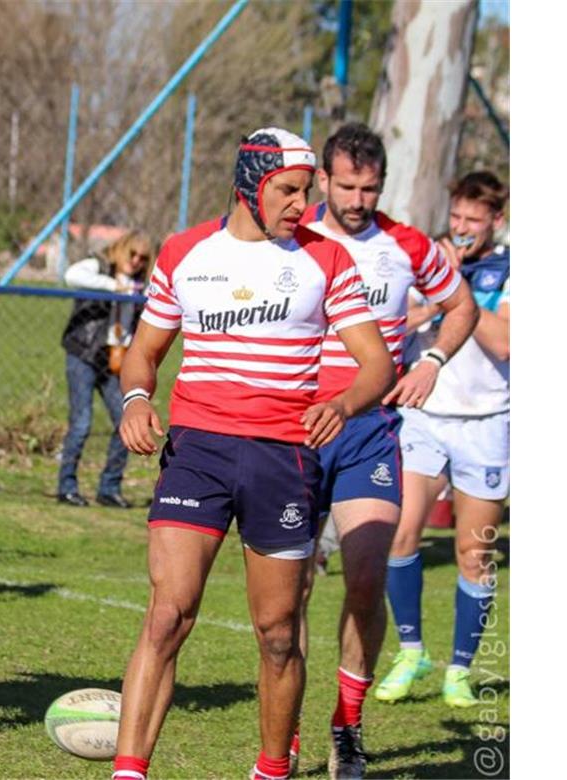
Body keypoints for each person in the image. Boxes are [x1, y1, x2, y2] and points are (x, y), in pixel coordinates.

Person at [109, 127, 393, 780]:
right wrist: (135, 401)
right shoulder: (184, 253)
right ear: (251, 183)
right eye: (289, 191)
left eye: (307, 192)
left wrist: (343, 405)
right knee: (167, 615)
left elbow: (375, 363)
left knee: (277, 635)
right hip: (197, 453)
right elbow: (145, 355)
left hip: (282, 459)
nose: (302, 205)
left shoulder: (326, 261)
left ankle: (271, 769)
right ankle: (129, 771)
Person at [294, 123, 479, 779]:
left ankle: (347, 727)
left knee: (367, 580)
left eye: (370, 188)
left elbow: (461, 306)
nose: (358, 199)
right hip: (296, 433)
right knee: (289, 593)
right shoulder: (294, 240)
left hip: (370, 432)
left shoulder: (407, 245)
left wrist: (430, 359)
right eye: (346, 185)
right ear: (323, 179)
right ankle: (282, 727)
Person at [375, 171, 509, 711]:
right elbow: (397, 324)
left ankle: (460, 669)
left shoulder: (511, 270)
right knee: (400, 533)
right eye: (455, 218)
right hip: (425, 417)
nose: (460, 229)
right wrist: (440, 296)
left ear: (495, 221)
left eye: (472, 221)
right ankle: (411, 652)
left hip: (486, 423)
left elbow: (504, 342)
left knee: (473, 554)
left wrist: (463, 294)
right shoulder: (427, 264)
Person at [56, 231, 154, 508]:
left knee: (126, 422)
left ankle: (109, 488)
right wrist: (114, 286)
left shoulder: (141, 284)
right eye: (131, 254)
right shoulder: (97, 266)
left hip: (116, 361)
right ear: (120, 250)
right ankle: (67, 487)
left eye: (142, 258)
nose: (135, 262)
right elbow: (71, 276)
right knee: (82, 422)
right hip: (84, 354)